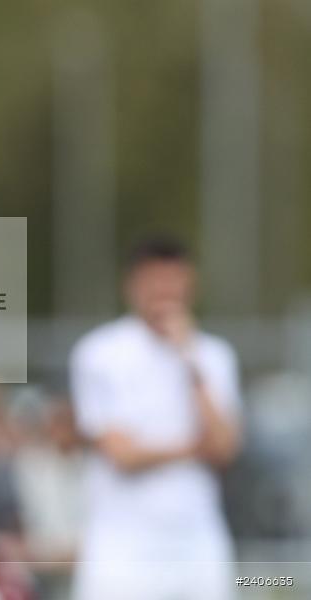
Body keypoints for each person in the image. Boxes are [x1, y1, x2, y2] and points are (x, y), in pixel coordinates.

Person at [68, 237, 241, 600]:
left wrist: (190, 359)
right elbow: (122, 455)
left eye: (174, 279)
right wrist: (194, 448)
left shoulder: (213, 355)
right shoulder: (99, 352)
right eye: (154, 280)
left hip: (197, 540)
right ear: (132, 285)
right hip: (122, 544)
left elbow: (225, 448)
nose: (165, 291)